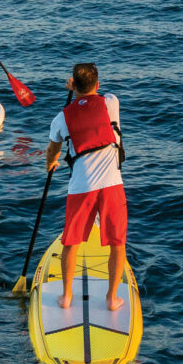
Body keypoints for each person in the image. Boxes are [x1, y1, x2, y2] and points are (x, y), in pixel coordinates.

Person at [45, 62, 127, 312]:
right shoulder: (111, 103)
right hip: (112, 185)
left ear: (73, 85)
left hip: (81, 186)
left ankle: (67, 296)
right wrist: (79, 88)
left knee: (71, 242)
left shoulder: (61, 119)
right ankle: (112, 299)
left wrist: (52, 164)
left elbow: (53, 149)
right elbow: (95, 96)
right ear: (98, 85)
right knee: (118, 243)